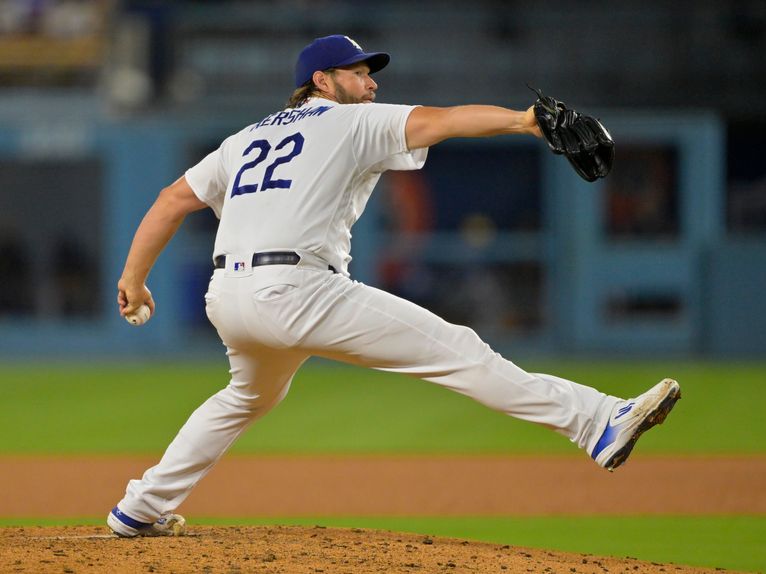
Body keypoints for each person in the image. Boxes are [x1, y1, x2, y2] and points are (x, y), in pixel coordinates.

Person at [107, 34, 681, 537]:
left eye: (369, 71)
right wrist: (524, 121)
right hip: (299, 289)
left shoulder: (243, 139)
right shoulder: (348, 120)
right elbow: (443, 120)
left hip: (229, 297)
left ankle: (140, 507)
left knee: (246, 397)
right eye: (357, 72)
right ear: (321, 81)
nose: (370, 82)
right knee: (458, 350)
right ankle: (597, 421)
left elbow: (171, 200)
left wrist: (133, 279)